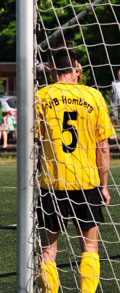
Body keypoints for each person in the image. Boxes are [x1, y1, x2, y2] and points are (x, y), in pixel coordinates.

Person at [35, 47, 114, 293]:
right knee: (89, 248)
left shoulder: (41, 96)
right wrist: (103, 185)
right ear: (76, 67)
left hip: (53, 182)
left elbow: (33, 141)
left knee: (48, 251)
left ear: (51, 69)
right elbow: (103, 146)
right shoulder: (93, 96)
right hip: (86, 181)